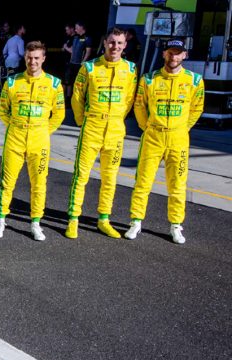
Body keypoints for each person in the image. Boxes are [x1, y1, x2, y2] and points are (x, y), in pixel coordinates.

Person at [125, 39, 204, 244]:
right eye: (170, 52)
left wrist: (184, 127)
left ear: (184, 55)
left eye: (178, 53)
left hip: (178, 138)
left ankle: (176, 225)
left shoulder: (195, 80)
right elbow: (139, 106)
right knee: (143, 182)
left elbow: (197, 108)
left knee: (177, 184)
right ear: (164, 54)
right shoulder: (149, 79)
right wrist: (147, 127)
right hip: (153, 136)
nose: (174, 57)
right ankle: (135, 221)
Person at [65, 27, 137, 239]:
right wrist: (82, 121)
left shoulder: (131, 69)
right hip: (92, 128)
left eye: (120, 43)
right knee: (81, 176)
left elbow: (129, 99)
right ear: (105, 43)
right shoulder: (89, 67)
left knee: (110, 178)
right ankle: (73, 218)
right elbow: (77, 97)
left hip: (115, 130)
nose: (115, 46)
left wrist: (117, 119)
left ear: (125, 46)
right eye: (112, 42)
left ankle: (104, 219)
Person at [0, 41, 65, 241]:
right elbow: (3, 110)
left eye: (36, 58)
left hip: (39, 140)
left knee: (39, 183)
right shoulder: (12, 82)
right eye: (29, 57)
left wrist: (43, 131)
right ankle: (0, 221)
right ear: (25, 58)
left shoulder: (54, 84)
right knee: (7, 183)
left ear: (43, 59)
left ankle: (35, 223)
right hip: (15, 138)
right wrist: (16, 126)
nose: (32, 61)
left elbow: (58, 114)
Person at [65, 21, 92, 101]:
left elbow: (88, 52)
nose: (75, 29)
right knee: (70, 81)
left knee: (79, 83)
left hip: (79, 64)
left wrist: (83, 62)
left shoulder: (87, 38)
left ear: (81, 27)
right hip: (72, 63)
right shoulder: (76, 37)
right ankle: (69, 99)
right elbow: (73, 50)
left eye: (77, 27)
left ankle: (80, 99)